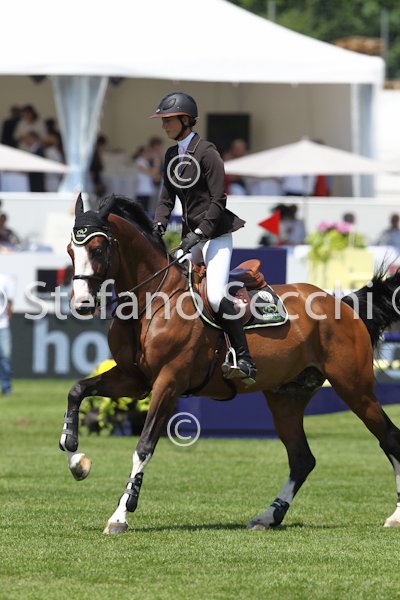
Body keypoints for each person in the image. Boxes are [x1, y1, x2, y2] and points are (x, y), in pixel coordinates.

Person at [150, 92, 256, 384]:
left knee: (215, 295)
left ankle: (244, 358)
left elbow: (218, 200)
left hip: (215, 235)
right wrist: (157, 224)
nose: (164, 125)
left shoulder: (207, 152)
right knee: (167, 284)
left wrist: (198, 234)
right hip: (190, 238)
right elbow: (166, 198)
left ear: (185, 120)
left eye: (168, 120)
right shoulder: (171, 156)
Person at [0, 273, 15, 394]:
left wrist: (9, 316)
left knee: (5, 357)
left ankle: (6, 387)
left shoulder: (4, 279)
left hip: (2, 324)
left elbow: (9, 301)